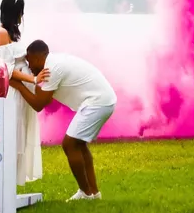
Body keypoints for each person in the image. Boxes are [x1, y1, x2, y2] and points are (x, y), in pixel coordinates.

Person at [10, 40, 117, 201]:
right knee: (79, 144)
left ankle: (86, 193)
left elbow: (39, 104)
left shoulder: (51, 69)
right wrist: (32, 80)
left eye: (29, 61)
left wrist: (18, 85)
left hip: (97, 102)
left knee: (70, 144)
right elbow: (40, 93)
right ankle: (93, 193)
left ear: (38, 58)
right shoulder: (52, 63)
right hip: (103, 100)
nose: (28, 66)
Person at [0, 0, 48, 186]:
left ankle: (14, 182)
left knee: (22, 132)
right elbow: (7, 69)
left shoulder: (13, 34)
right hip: (15, 92)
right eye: (20, 12)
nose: (21, 16)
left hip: (23, 91)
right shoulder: (1, 33)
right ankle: (6, 181)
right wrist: (32, 79)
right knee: (14, 133)